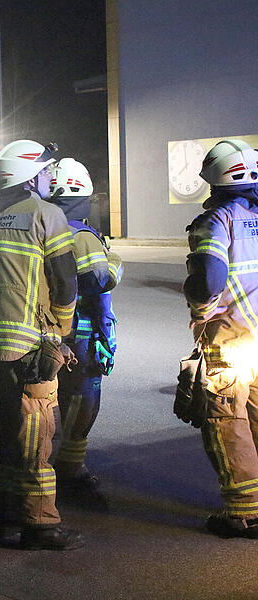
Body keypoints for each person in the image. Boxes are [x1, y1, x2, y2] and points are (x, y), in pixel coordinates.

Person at [0, 140, 82, 550]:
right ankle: (41, 525)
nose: (51, 178)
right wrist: (62, 331)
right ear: (29, 176)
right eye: (47, 171)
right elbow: (66, 280)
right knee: (37, 436)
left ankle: (7, 521)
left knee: (7, 435)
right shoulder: (47, 214)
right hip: (34, 345)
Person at [183, 139, 258, 538]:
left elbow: (209, 279)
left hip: (232, 339)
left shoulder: (216, 220)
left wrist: (199, 310)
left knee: (226, 420)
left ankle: (245, 513)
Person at [47, 158, 123, 504]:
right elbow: (97, 280)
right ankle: (70, 466)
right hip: (80, 331)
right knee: (83, 396)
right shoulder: (81, 234)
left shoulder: (41, 226)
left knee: (48, 398)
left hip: (47, 330)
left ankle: (42, 461)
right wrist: (115, 266)